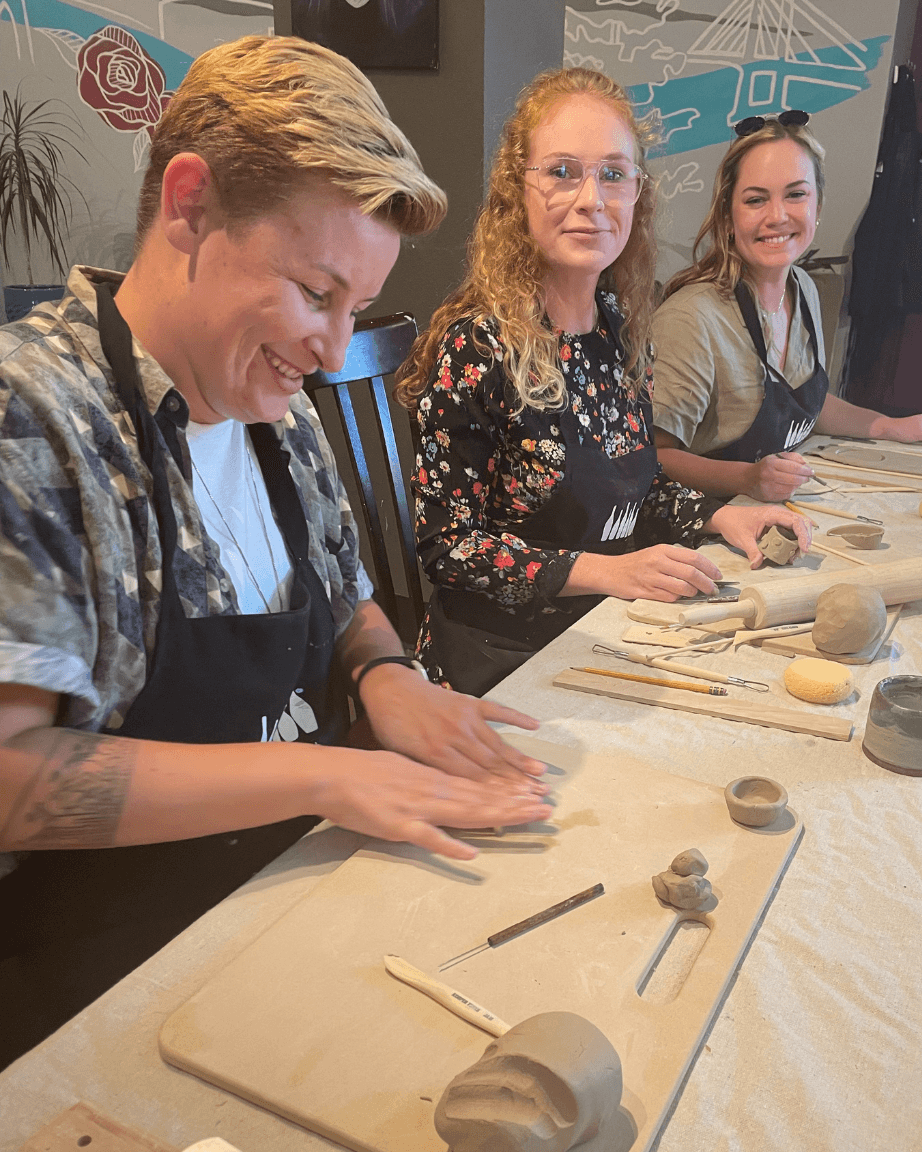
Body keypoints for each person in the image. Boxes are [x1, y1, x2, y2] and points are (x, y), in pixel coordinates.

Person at [0, 36, 553, 1063]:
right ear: (190, 205)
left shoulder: (273, 400)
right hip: (111, 984)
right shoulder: (34, 419)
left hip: (287, 899)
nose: (336, 351)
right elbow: (14, 780)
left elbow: (342, 595)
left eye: (353, 307)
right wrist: (320, 780)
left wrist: (386, 676)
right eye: (314, 292)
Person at [394, 68, 810, 698]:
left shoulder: (618, 328)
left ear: (637, 194)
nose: (592, 198)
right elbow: (447, 550)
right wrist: (610, 572)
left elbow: (631, 494)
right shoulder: (477, 348)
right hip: (497, 665)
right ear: (517, 191)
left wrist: (722, 516)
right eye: (562, 171)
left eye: (614, 174)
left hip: (601, 631)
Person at [651, 112, 922, 503]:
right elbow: (653, 459)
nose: (777, 216)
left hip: (776, 509)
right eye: (756, 199)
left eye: (796, 195)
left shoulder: (804, 289)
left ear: (818, 205)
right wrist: (747, 479)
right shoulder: (691, 318)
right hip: (706, 531)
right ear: (728, 216)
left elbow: (802, 402)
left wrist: (892, 428)